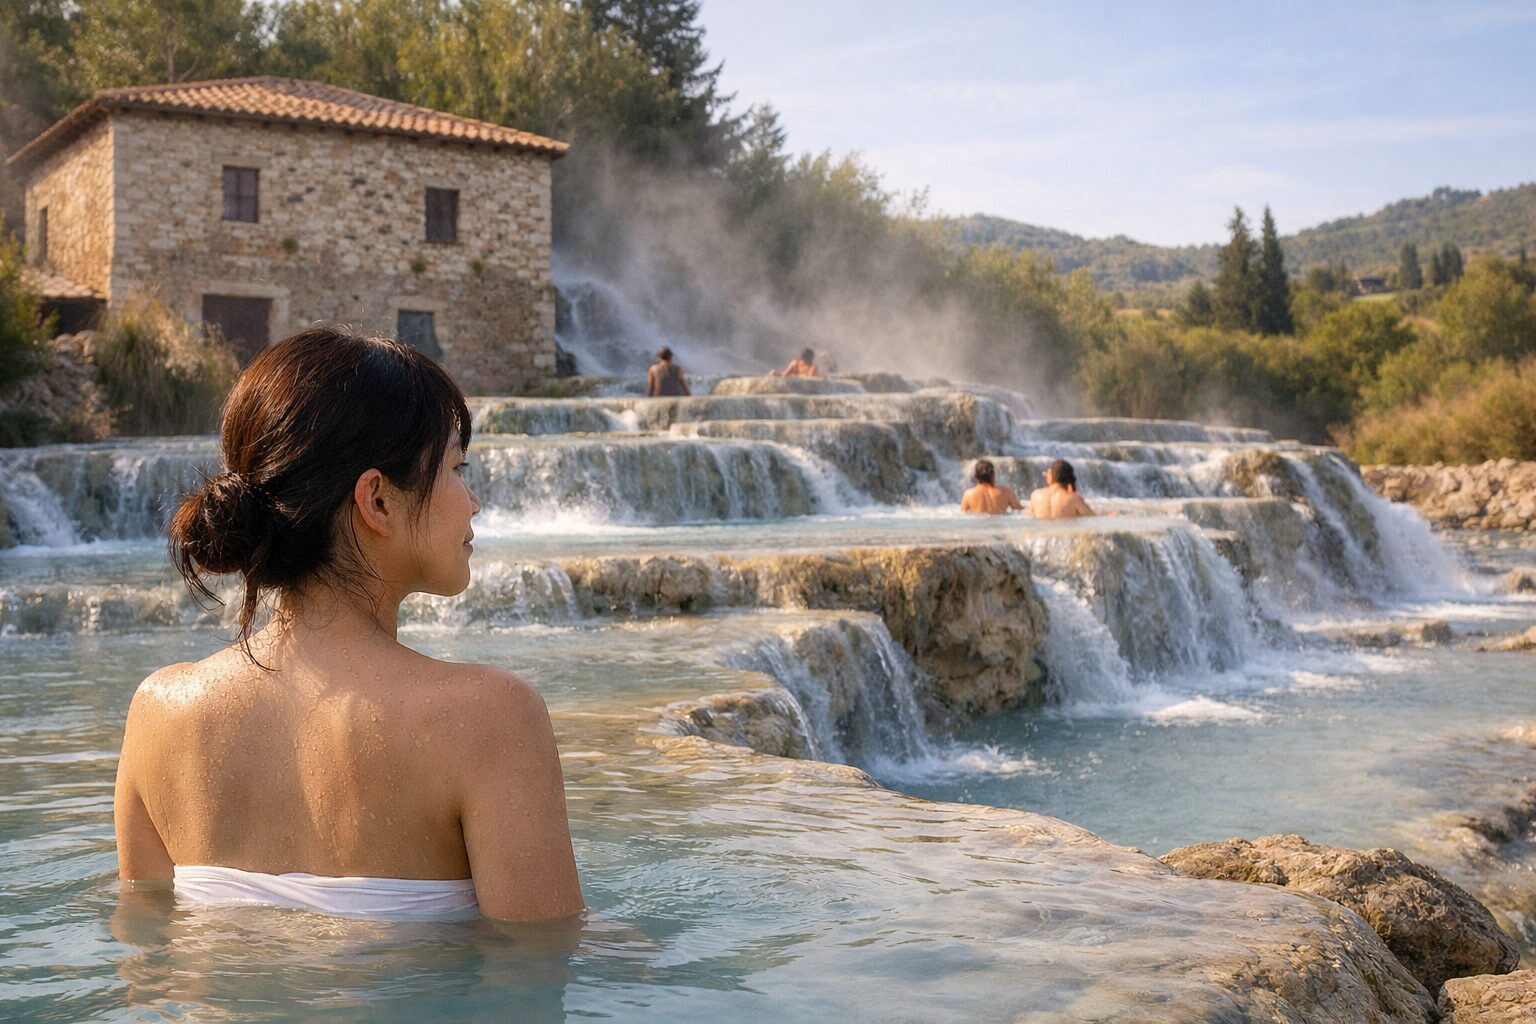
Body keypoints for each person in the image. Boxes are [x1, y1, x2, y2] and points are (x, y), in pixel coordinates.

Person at [114, 326, 583, 923]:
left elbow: (146, 962)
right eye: (459, 469)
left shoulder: (159, 711)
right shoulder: (491, 717)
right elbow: (540, 972)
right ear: (377, 501)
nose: (474, 502)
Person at [1028, 458, 1096, 519]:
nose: (1046, 476)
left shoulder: (1035, 495)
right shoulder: (1074, 499)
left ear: (1052, 476)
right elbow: (1094, 517)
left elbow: (1028, 516)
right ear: (1069, 479)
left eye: (1047, 473)